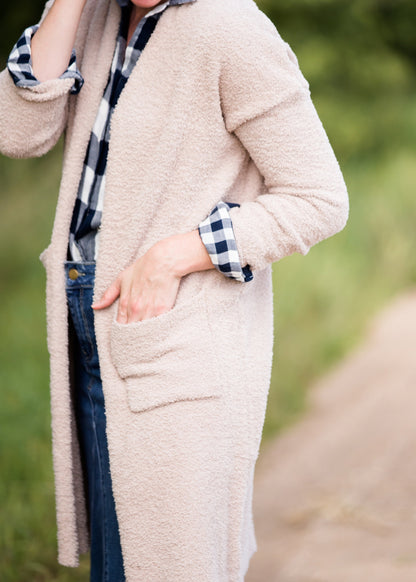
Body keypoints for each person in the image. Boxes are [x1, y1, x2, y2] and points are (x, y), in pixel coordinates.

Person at [0, 0, 349, 580]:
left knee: (165, 561)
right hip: (90, 319)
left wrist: (175, 255)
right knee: (122, 560)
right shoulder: (96, 19)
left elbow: (319, 197)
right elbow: (17, 132)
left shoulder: (231, 26)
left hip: (176, 333)